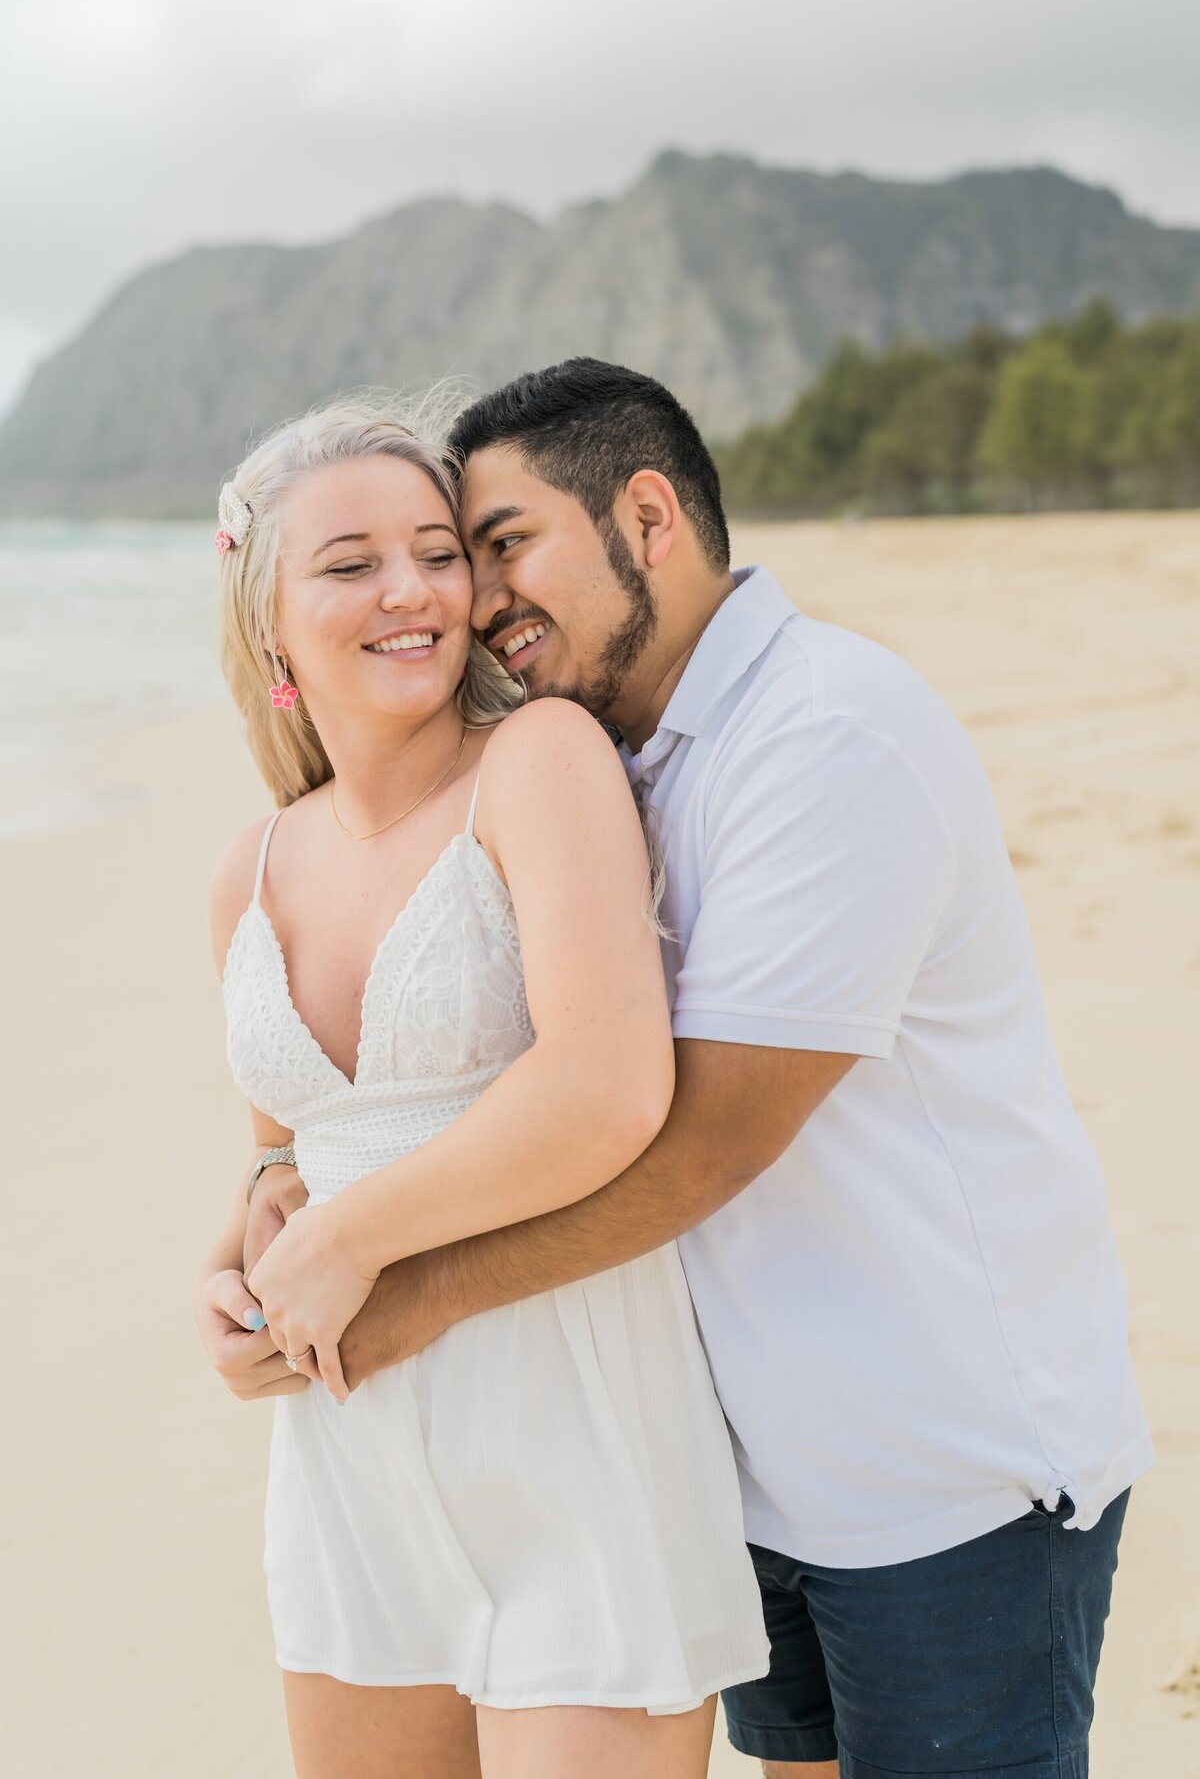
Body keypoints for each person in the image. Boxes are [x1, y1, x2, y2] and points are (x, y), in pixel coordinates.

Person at [234, 358, 1154, 1779]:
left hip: (945, 1473)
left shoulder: (824, 731)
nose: (473, 601)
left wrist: (400, 1290)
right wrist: (272, 1206)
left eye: (495, 548)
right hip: (757, 1470)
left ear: (647, 516)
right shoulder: (630, 746)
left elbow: (699, 1136)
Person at [193, 397, 770, 1779]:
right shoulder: (250, 870)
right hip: (351, 1468)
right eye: (350, 564)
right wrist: (246, 1270)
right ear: (269, 614)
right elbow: (288, 1152)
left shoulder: (539, 764)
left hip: (572, 1436)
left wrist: (346, 1235)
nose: (414, 593)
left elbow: (607, 1088)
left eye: (439, 550)